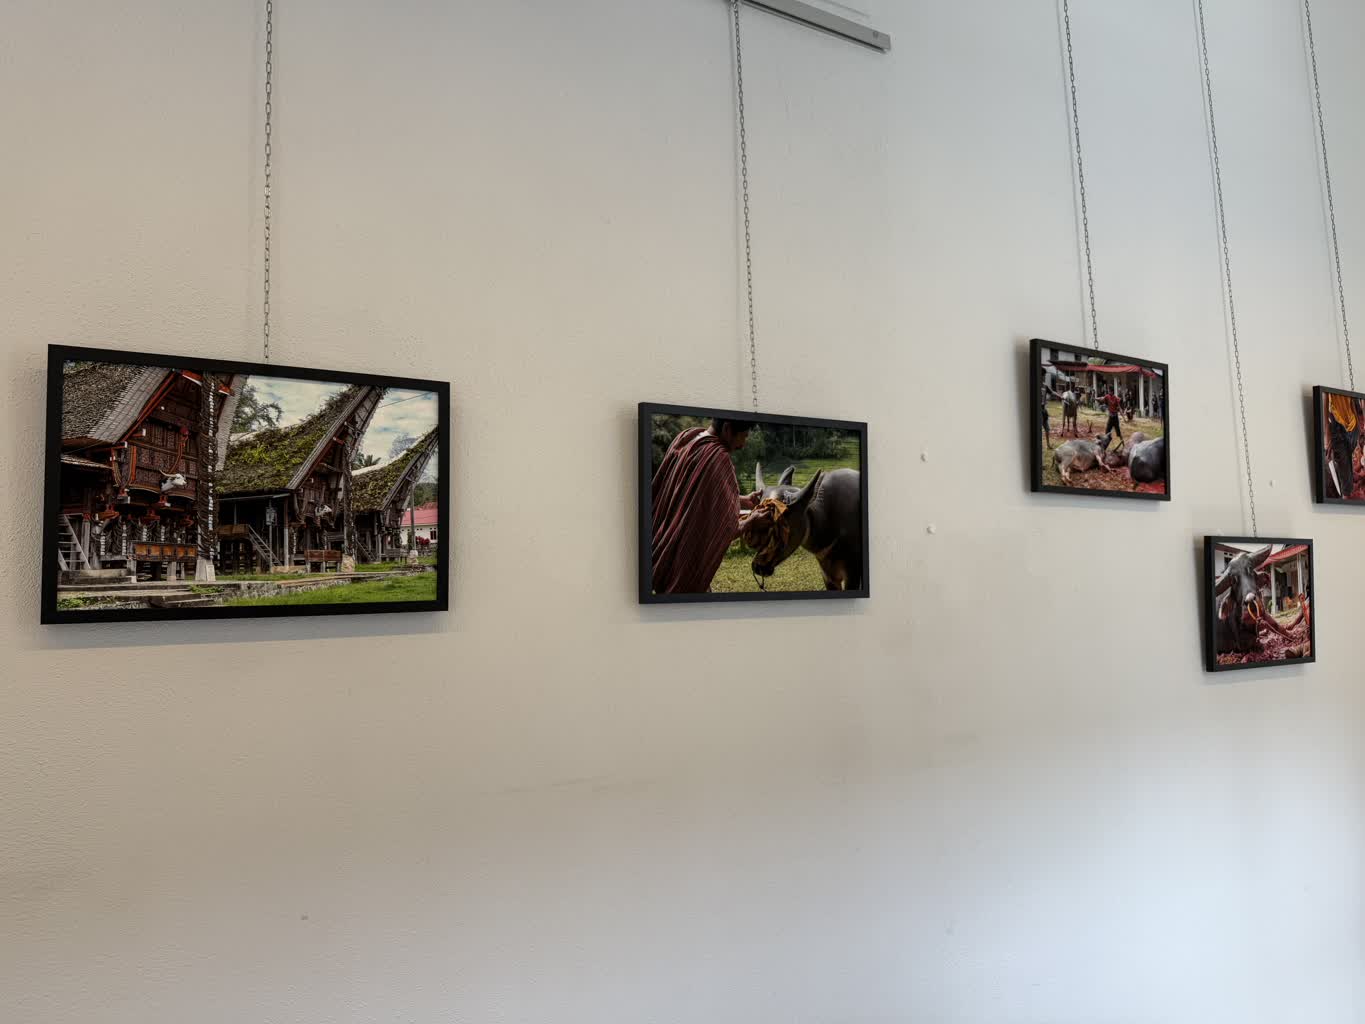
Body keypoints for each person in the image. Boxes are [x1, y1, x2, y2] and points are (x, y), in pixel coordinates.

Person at [650, 419, 762, 594]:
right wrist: (751, 521)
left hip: (661, 554)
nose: (743, 444)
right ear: (727, 429)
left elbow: (692, 491)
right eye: (743, 436)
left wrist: (743, 500)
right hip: (683, 566)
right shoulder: (718, 457)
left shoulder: (687, 438)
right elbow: (726, 528)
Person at [1325, 391, 1361, 499]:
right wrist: (1327, 430)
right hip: (1337, 426)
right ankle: (1346, 499)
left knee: (1349, 476)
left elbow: (1351, 400)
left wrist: (1358, 425)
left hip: (1353, 425)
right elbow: (1325, 396)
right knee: (1346, 485)